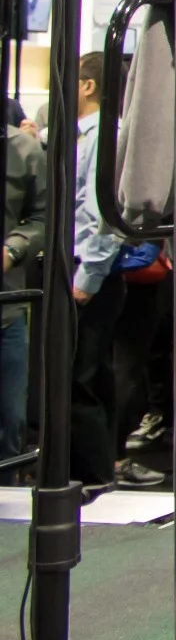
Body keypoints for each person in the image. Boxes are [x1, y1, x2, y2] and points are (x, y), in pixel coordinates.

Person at [69, 52, 128, 489]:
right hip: (93, 271)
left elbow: (105, 216)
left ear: (88, 86)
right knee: (94, 374)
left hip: (91, 273)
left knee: (80, 378)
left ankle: (93, 476)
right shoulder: (84, 135)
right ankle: (100, 467)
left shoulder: (106, 135)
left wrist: (86, 278)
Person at [1, 117, 45, 483]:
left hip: (6, 309)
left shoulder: (24, 150)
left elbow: (43, 216)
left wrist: (13, 250)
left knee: (9, 426)